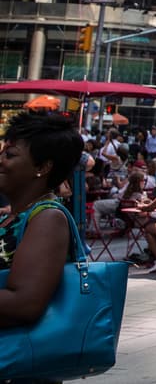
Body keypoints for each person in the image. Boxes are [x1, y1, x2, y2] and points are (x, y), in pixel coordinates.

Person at [0, 111, 85, 329]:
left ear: (42, 167)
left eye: (9, 155)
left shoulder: (48, 219)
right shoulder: (14, 215)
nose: (1, 161)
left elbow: (25, 304)